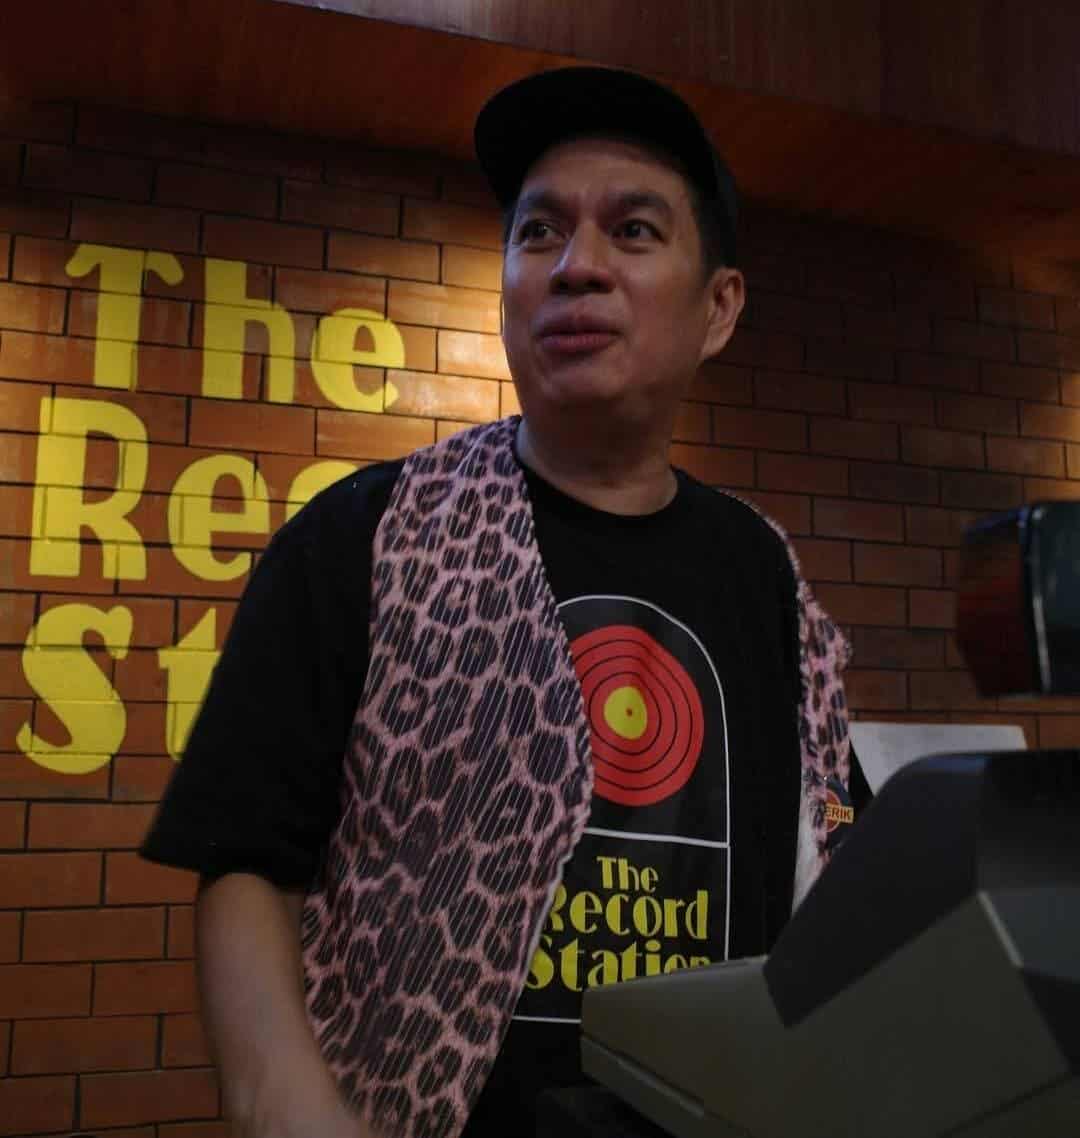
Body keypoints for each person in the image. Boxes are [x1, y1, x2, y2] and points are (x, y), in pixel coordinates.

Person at [142, 66, 864, 1138]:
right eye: (538, 233)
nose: (576, 266)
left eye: (632, 231)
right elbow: (248, 861)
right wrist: (287, 1107)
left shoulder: (766, 576)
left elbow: (840, 872)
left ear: (719, 308)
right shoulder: (360, 537)